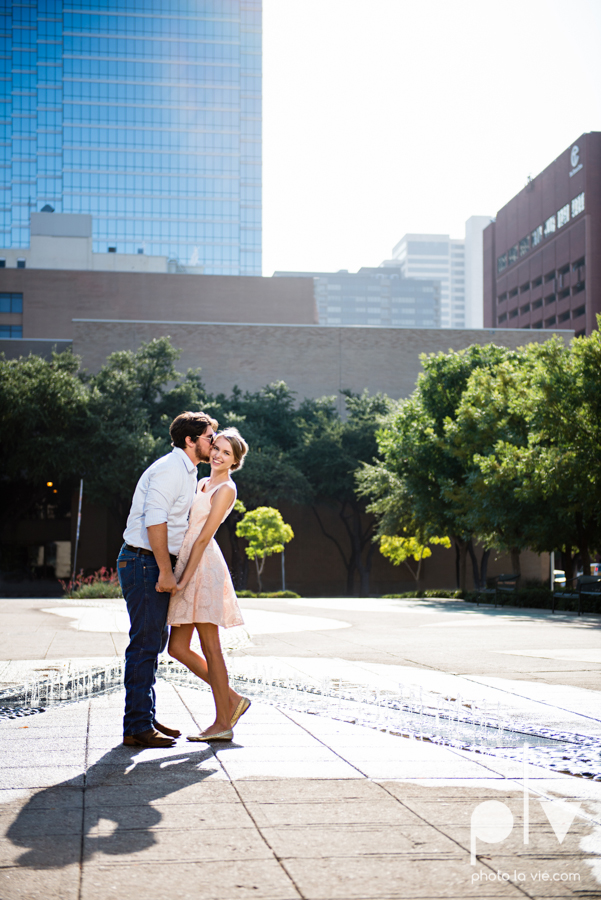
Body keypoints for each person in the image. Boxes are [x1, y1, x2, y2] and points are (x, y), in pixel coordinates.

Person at [117, 410, 218, 748]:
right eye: (208, 438)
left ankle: (142, 714)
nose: (213, 444)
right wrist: (164, 570)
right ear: (190, 440)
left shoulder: (187, 472)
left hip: (151, 562)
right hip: (144, 562)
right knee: (145, 644)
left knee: (153, 643)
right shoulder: (170, 470)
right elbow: (155, 523)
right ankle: (136, 727)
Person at [167, 427, 251, 742]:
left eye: (226, 453)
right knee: (176, 647)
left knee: (210, 647)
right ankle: (232, 698)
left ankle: (222, 722)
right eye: (216, 447)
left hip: (203, 567)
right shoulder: (202, 482)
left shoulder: (226, 489)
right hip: (189, 559)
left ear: (234, 461)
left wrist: (185, 576)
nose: (217, 454)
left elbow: (204, 536)